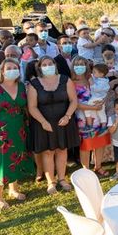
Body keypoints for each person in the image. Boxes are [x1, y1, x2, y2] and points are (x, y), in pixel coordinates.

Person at [0, 58, 34, 209]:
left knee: (16, 158)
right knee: (1, 163)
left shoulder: (22, 87)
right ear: (2, 71)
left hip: (19, 130)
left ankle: (13, 189)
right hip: (0, 133)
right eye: (8, 68)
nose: (12, 70)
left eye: (15, 67)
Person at [27, 56, 79, 193]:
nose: (48, 66)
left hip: (64, 120)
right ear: (40, 67)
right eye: (44, 64)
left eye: (50, 63)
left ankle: (62, 179)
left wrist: (68, 116)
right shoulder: (34, 84)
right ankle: (51, 182)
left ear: (55, 65)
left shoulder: (65, 80)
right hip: (43, 122)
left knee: (62, 150)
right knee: (48, 151)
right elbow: (32, 107)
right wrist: (43, 122)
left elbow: (74, 100)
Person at [71, 56, 112, 174]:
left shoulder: (95, 79)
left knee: (100, 141)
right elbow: (75, 103)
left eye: (82, 64)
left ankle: (98, 166)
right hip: (83, 117)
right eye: (77, 64)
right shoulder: (71, 82)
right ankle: (86, 170)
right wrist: (92, 107)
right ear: (73, 67)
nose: (80, 67)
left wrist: (103, 101)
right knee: (86, 143)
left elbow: (104, 92)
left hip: (99, 114)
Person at [83, 63, 110, 130]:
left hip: (96, 98)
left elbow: (95, 88)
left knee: (87, 109)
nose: (93, 73)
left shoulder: (103, 82)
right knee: (101, 113)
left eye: (95, 72)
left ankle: (90, 125)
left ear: (101, 74)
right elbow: (91, 75)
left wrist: (90, 81)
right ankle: (103, 126)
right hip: (100, 99)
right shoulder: (99, 78)